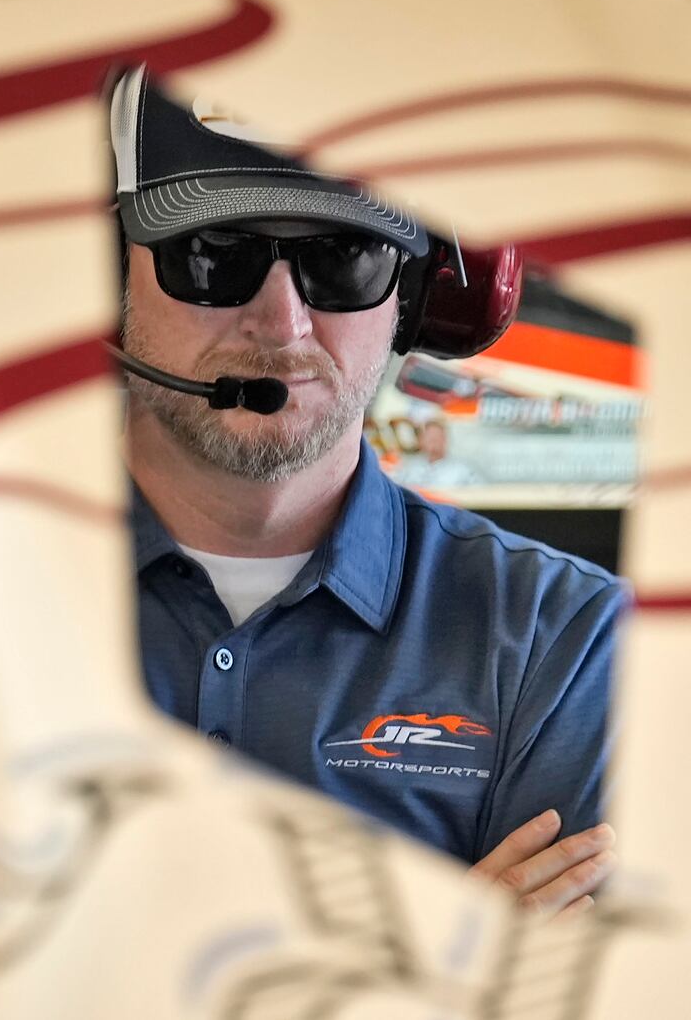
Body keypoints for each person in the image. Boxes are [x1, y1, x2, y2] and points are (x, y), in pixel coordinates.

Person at [110, 67, 624, 916]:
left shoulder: (560, 641)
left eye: (344, 259)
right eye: (213, 256)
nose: (282, 325)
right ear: (105, 281)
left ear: (418, 296)